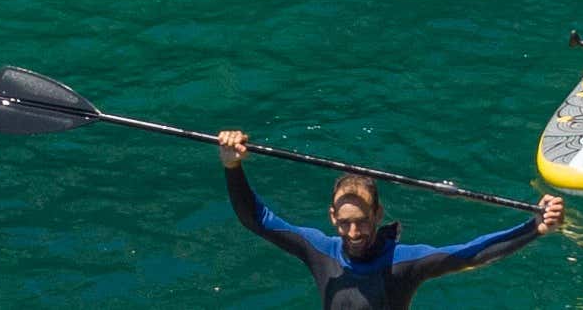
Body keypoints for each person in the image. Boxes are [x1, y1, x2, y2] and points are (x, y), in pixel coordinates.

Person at [218, 129, 564, 308]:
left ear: (378, 214)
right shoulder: (318, 250)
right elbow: (257, 219)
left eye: (363, 222)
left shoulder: (404, 263)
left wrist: (534, 227)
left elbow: (470, 253)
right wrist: (232, 166)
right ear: (332, 217)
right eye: (345, 223)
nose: (354, 232)